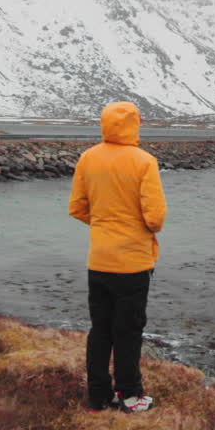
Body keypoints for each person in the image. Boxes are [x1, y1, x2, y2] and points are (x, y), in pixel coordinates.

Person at [68, 101, 166, 413]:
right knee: (128, 331)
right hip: (133, 263)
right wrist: (134, 228)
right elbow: (155, 218)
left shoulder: (88, 157)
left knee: (101, 330)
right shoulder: (144, 161)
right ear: (135, 124)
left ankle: (98, 396)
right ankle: (130, 395)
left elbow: (77, 208)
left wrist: (103, 223)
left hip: (99, 260)